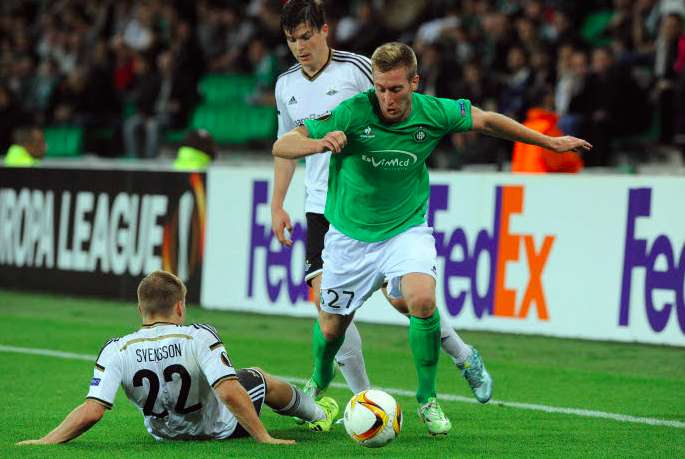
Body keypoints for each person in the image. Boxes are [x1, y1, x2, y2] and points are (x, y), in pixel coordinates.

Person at [273, 42, 592, 436]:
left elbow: (488, 121)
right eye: (380, 89)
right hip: (349, 237)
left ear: (414, 82)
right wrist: (317, 143)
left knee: (421, 300)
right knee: (331, 329)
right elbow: (282, 143)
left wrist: (551, 142)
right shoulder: (352, 112)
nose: (387, 99)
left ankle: (427, 399)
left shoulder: (435, 111)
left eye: (396, 89)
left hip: (405, 230)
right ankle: (319, 382)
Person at [272, 0, 493, 414]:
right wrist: (277, 204)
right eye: (290, 40)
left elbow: (400, 108)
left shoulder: (358, 70)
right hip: (322, 208)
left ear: (324, 31)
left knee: (407, 302)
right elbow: (286, 147)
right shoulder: (286, 85)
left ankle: (464, 355)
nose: (299, 47)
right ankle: (365, 402)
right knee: (331, 313)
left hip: (379, 206)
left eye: (305, 36)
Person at [16, 271, 338, 446]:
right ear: (180, 308)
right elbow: (227, 391)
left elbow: (92, 411)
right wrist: (264, 438)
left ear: (140, 310)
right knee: (256, 377)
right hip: (218, 429)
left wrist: (46, 440)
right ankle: (316, 413)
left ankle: (313, 413)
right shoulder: (198, 336)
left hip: (163, 435)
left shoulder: (117, 348)